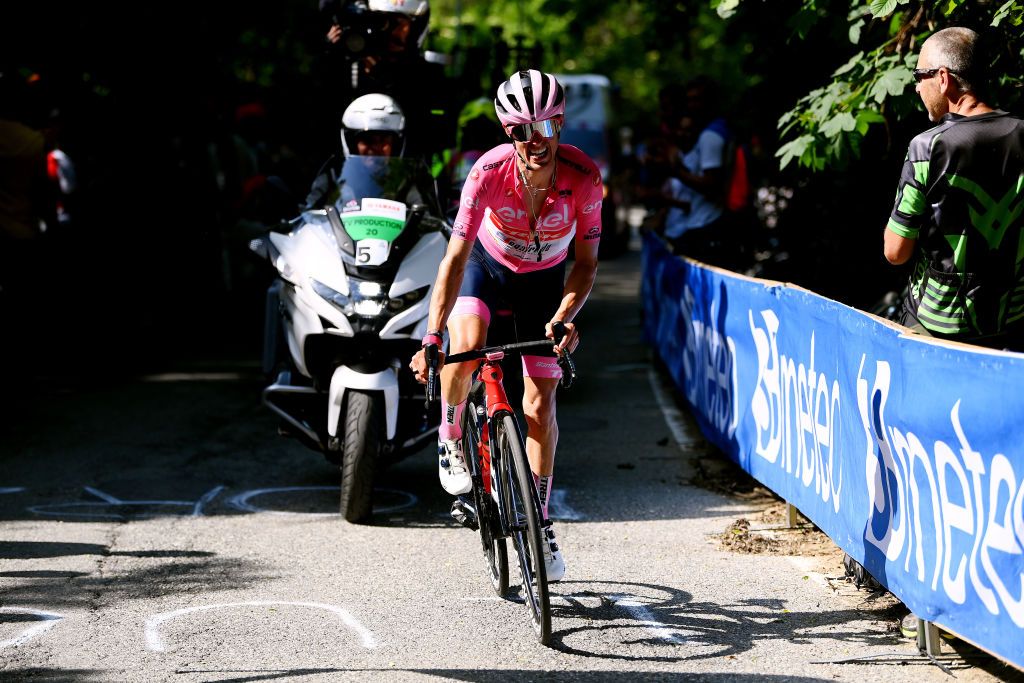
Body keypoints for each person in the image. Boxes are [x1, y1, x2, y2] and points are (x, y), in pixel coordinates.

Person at [409, 70, 603, 582]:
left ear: (560, 122)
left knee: (540, 403)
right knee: (467, 344)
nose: (535, 141)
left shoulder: (584, 178)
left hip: (544, 283)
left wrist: (564, 318)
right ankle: (451, 435)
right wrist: (432, 337)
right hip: (486, 270)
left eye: (546, 126)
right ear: (507, 132)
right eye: (521, 131)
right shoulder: (487, 173)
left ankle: (539, 521)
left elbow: (585, 264)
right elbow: (454, 259)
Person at [883, 26, 1024, 351]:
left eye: (921, 76)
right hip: (1011, 327)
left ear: (943, 78)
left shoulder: (927, 148)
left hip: (938, 331)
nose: (917, 88)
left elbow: (895, 251)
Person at [667, 76, 733, 267]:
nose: (692, 105)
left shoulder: (710, 136)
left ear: (711, 102)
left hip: (706, 225)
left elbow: (711, 184)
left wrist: (676, 172)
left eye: (697, 99)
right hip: (706, 225)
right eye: (689, 100)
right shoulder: (720, 129)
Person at [304, 93, 405, 210]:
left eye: (383, 140)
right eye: (368, 140)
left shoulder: (405, 181)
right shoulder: (334, 178)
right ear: (352, 144)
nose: (376, 147)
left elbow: (426, 217)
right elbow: (309, 216)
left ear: (395, 145)